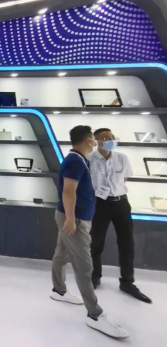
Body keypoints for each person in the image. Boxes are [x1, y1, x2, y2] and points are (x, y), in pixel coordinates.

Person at [51, 125, 128, 339]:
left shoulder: (79, 159)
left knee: (61, 254)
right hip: (74, 218)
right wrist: (70, 219)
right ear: (87, 140)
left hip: (74, 216)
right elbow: (69, 191)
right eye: (94, 138)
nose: (96, 142)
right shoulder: (75, 161)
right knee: (85, 265)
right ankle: (95, 314)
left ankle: (58, 290)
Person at [88, 128, 151, 303]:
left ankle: (127, 281)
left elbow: (123, 180)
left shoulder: (122, 158)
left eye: (111, 137)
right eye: (105, 137)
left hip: (121, 203)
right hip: (100, 204)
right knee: (96, 242)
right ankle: (94, 277)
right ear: (96, 141)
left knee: (127, 242)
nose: (110, 140)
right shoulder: (89, 159)